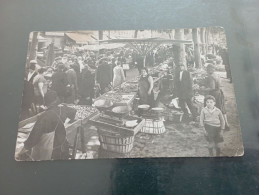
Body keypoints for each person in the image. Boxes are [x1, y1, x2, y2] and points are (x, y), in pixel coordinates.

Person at [15, 90, 76, 161]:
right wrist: (67, 122)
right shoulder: (62, 108)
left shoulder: (45, 117)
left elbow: (33, 138)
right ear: (56, 99)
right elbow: (73, 112)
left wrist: (19, 153)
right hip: (60, 143)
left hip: (48, 150)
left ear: (46, 103)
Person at [200, 64, 230, 130]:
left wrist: (202, 89)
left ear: (210, 69)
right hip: (219, 93)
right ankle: (226, 124)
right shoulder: (216, 75)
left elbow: (212, 88)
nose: (207, 71)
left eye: (207, 69)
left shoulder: (211, 77)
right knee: (222, 109)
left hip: (214, 94)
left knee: (216, 109)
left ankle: (220, 126)